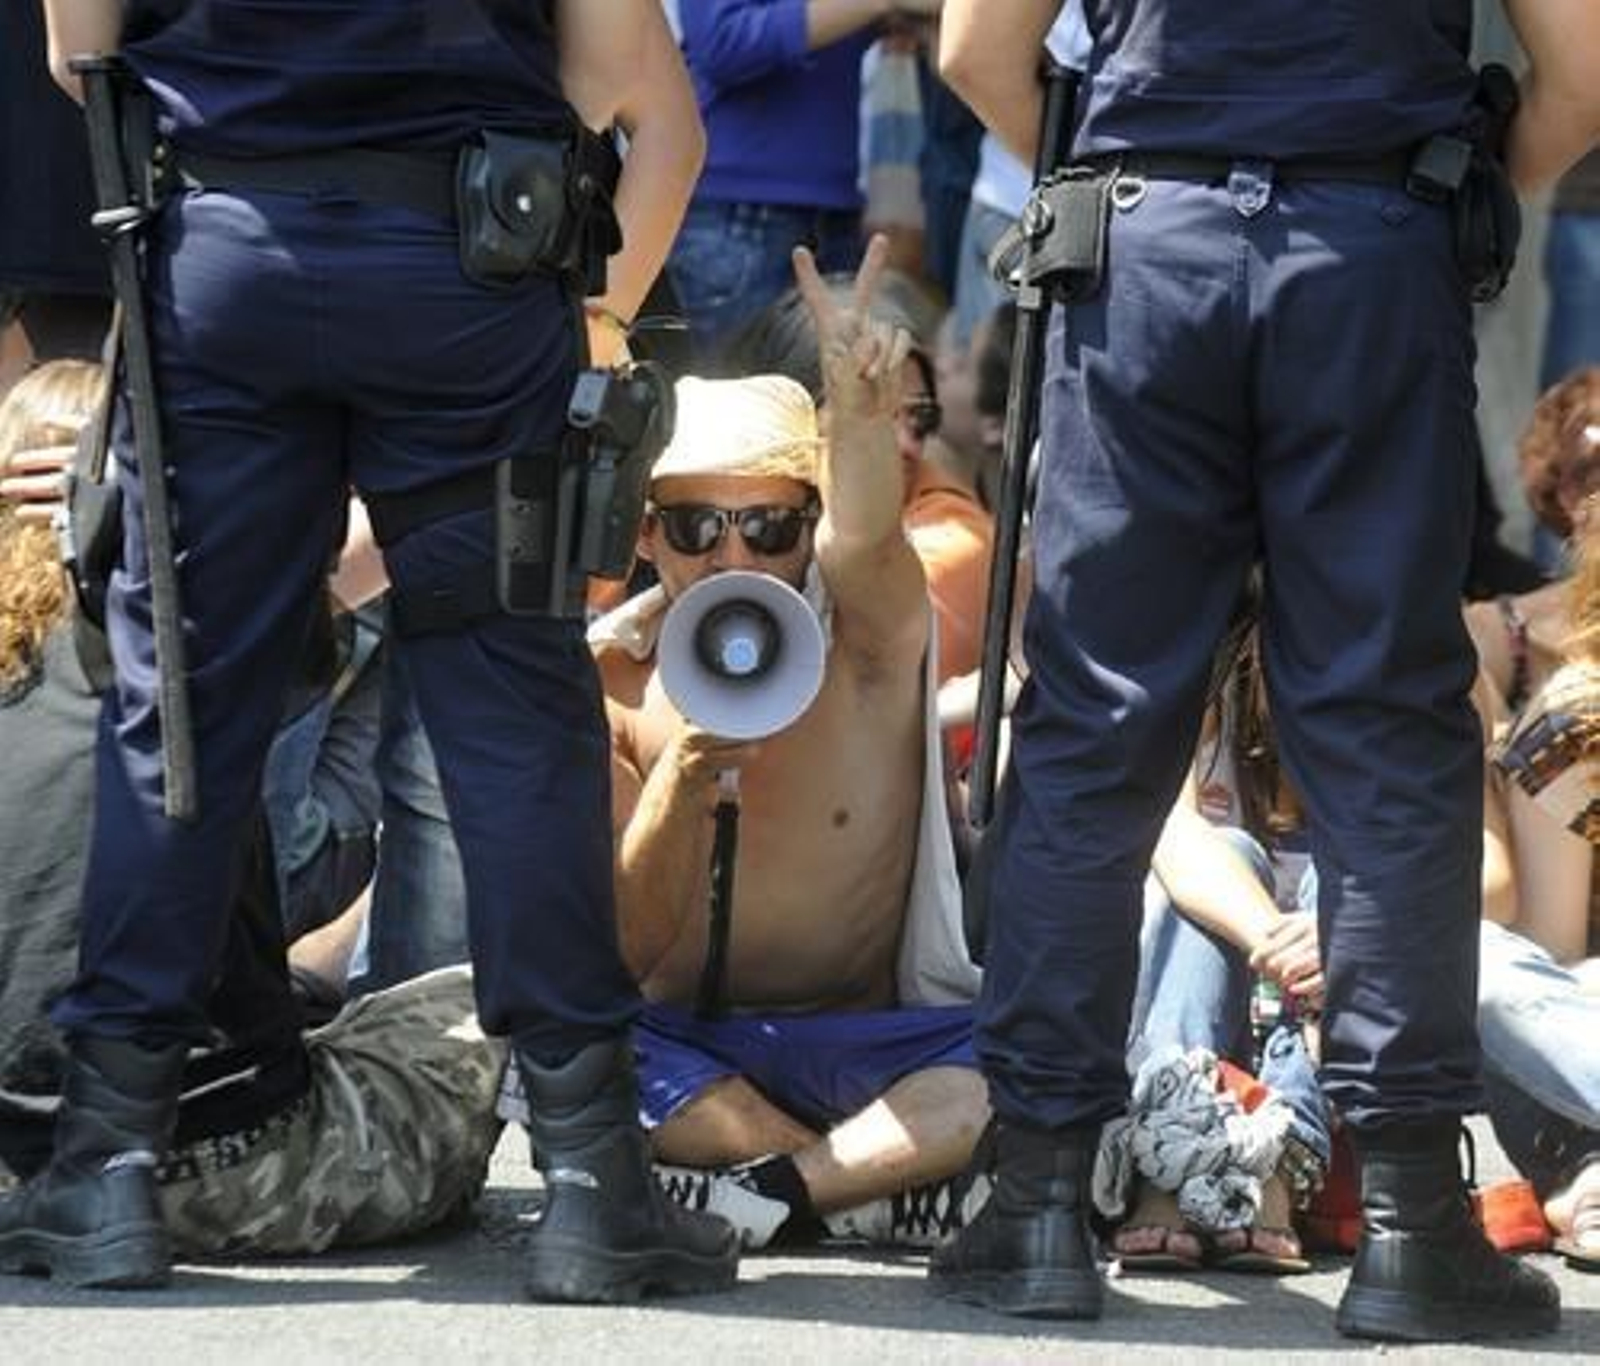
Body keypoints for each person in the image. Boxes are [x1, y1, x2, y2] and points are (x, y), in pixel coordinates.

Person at [0, 0, 736, 1303]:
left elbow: (78, 54)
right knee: (514, 711)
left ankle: (107, 1160)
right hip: (469, 260)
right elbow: (617, 84)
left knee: (179, 704)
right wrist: (571, 291)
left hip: (223, 250)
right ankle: (589, 1178)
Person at [935, 0, 1599, 1341]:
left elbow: (972, 54)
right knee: (1385, 723)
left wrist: (1142, 164)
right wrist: (1447, 197)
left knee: (1094, 717)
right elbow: (1580, 69)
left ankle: (1038, 1199)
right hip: (1371, 240)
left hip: (1147, 242)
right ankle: (1413, 1220)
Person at [0, 361, 501, 1259]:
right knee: (483, 1003)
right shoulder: (199, 639)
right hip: (226, 1169)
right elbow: (395, 529)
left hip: (10, 1170)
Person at [585, 239, 989, 1247]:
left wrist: (857, 416)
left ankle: (775, 1192)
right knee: (559, 1045)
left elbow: (869, 538)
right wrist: (685, 776)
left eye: (768, 526)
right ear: (646, 535)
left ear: (808, 529)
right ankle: (861, 1184)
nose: (734, 555)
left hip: (871, 1046)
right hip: (685, 1054)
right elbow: (624, 953)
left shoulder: (869, 645)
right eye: (696, 527)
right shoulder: (613, 686)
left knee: (1033, 1059)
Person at [666, 0, 941, 363]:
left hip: (828, 205)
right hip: (739, 211)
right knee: (737, 391)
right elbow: (721, 41)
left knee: (835, 390)